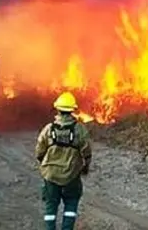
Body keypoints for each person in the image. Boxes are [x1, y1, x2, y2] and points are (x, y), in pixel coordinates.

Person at [35, 92, 92, 230]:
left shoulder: (49, 129)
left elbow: (39, 151)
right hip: (71, 175)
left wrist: (44, 164)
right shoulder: (80, 130)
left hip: (51, 175)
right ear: (72, 110)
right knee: (71, 204)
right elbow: (87, 152)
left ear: (58, 109)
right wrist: (85, 167)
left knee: (51, 206)